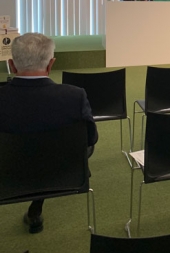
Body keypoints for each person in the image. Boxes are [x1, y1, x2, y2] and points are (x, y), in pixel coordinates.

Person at [0, 33, 98, 234]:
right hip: (63, 172)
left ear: (11, 64)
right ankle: (35, 209)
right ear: (51, 64)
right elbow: (91, 139)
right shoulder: (75, 96)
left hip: (7, 175)